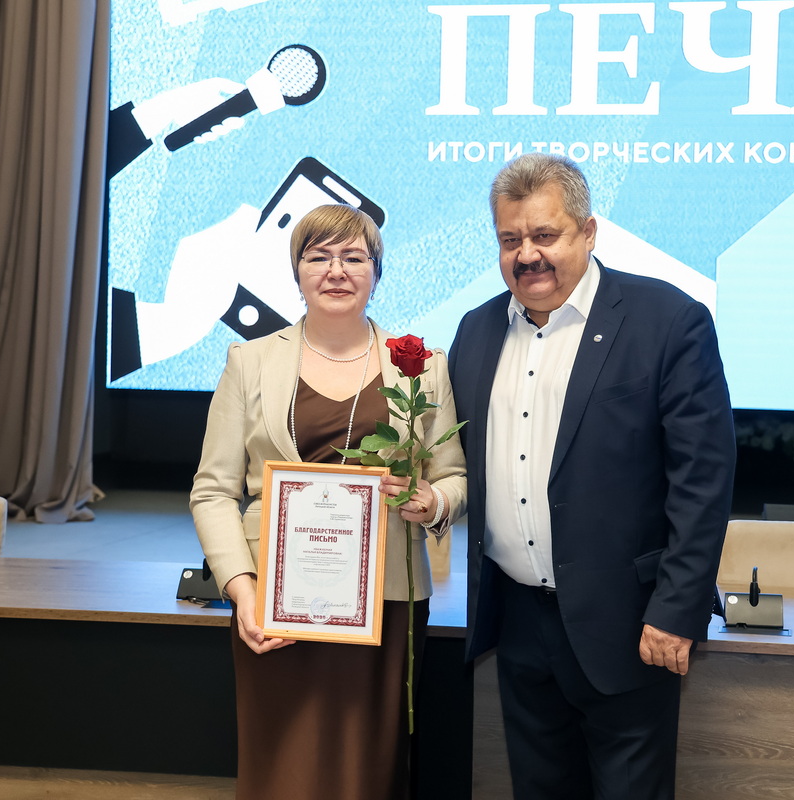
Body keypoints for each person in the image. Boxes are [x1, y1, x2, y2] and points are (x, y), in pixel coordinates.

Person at [448, 153, 736, 799]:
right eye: (510, 239)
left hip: (628, 627)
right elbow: (466, 463)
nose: (527, 255)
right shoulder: (477, 330)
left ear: (589, 232)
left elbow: (702, 481)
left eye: (544, 235)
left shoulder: (668, 321)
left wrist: (677, 609)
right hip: (518, 626)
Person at [190, 203, 466, 800]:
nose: (336, 270)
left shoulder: (423, 365)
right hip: (275, 600)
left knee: (366, 767)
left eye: (354, 257)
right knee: (282, 766)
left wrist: (432, 501)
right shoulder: (249, 361)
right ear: (297, 272)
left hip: (386, 598)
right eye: (318, 257)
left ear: (376, 273)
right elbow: (212, 490)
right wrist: (243, 591)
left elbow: (454, 478)